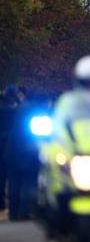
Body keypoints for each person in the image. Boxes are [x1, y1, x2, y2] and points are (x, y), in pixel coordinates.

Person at [6, 91, 51, 220]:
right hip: (28, 153)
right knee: (29, 182)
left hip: (12, 151)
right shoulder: (38, 114)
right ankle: (24, 211)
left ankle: (13, 213)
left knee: (14, 183)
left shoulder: (22, 108)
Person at [0, 86, 20, 213]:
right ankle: (12, 205)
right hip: (11, 147)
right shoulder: (16, 109)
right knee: (11, 177)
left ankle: (1, 201)